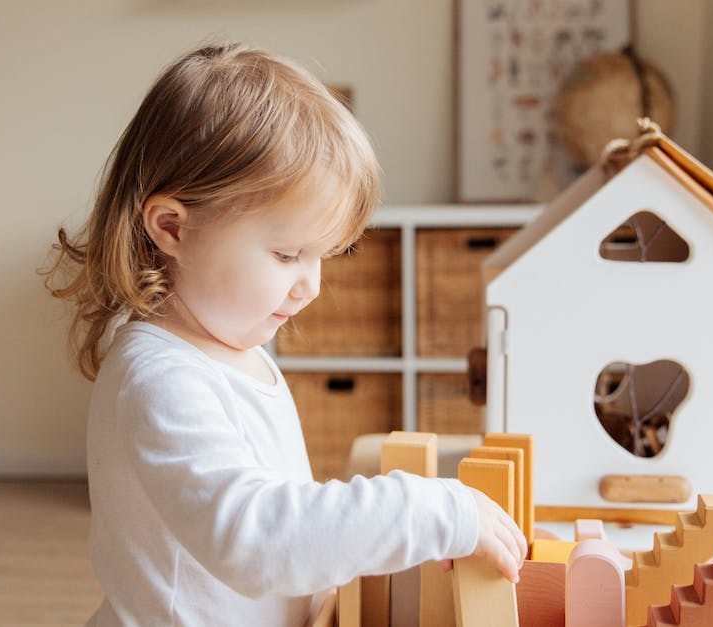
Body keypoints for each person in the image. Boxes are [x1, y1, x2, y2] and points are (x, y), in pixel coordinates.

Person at [44, 43, 526, 627]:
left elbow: (282, 523)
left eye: (324, 255)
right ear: (172, 227)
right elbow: (257, 539)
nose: (311, 286)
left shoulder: (234, 351)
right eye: (287, 254)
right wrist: (433, 510)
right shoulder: (162, 380)